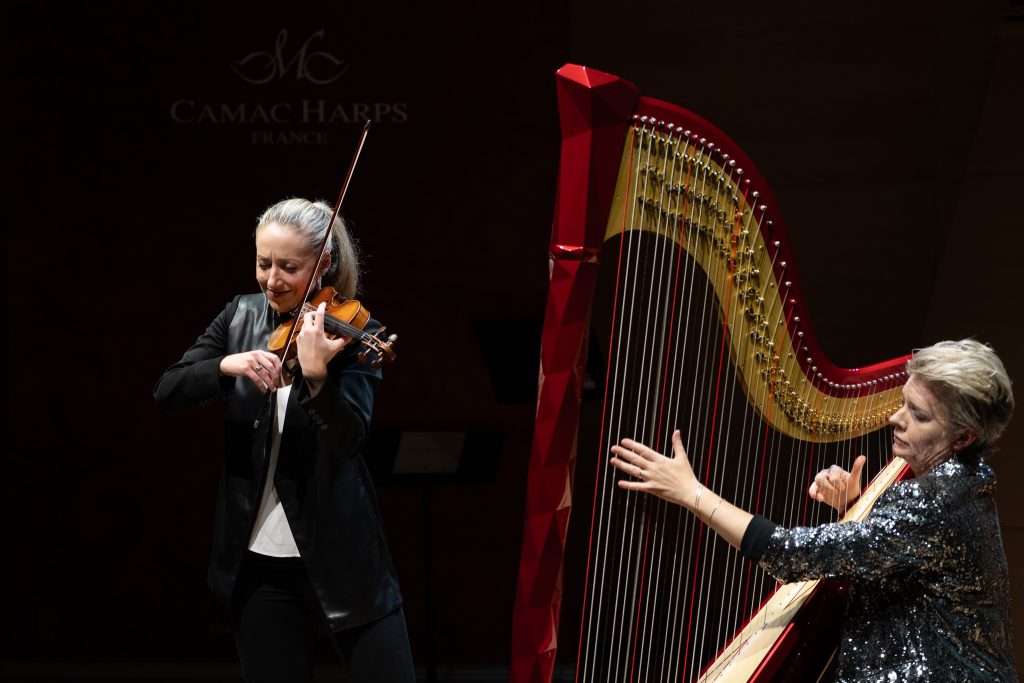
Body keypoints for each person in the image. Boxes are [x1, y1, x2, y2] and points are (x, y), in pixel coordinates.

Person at [609, 339, 1017, 682]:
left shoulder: (932, 500)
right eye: (903, 403)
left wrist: (689, 491)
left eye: (918, 415)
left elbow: (790, 554)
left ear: (964, 437)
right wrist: (858, 509)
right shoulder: (971, 478)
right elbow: (911, 552)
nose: (895, 418)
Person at [154, 197, 415, 682]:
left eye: (289, 267)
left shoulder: (357, 333)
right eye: (263, 262)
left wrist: (317, 379)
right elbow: (167, 389)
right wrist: (223, 365)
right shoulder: (240, 317)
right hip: (258, 558)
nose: (272, 279)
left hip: (342, 550)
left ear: (324, 264)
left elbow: (348, 440)